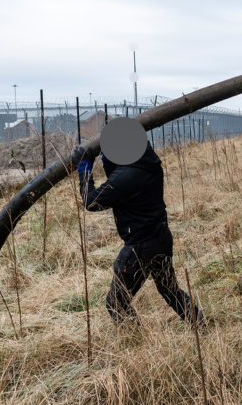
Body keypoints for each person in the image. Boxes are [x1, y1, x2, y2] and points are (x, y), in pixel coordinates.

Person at [77, 140, 202, 328]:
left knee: (116, 303)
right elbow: (118, 180)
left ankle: (137, 340)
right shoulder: (148, 164)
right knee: (171, 291)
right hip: (160, 238)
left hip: (139, 249)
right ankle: (202, 329)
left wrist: (84, 167)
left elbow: (91, 201)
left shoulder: (127, 177)